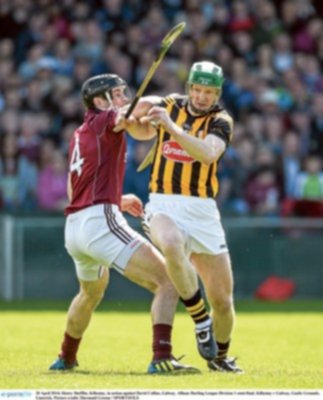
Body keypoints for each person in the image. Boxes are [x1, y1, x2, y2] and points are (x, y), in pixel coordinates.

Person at [49, 73, 199, 374]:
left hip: (76, 227)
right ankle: (161, 358)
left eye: (123, 92)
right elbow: (141, 107)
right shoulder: (105, 120)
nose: (124, 99)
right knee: (169, 280)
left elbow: (73, 188)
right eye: (117, 94)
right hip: (99, 223)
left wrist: (115, 198)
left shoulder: (81, 132)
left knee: (90, 292)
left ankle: (65, 357)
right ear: (99, 101)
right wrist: (173, 102)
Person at [128, 61, 243, 373]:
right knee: (171, 242)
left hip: (203, 210)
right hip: (164, 204)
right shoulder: (169, 105)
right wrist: (132, 117)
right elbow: (143, 127)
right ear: (189, 87)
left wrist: (171, 126)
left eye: (209, 91)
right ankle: (199, 317)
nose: (202, 96)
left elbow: (207, 153)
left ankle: (220, 357)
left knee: (223, 299)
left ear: (217, 92)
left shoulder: (221, 121)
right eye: (197, 89)